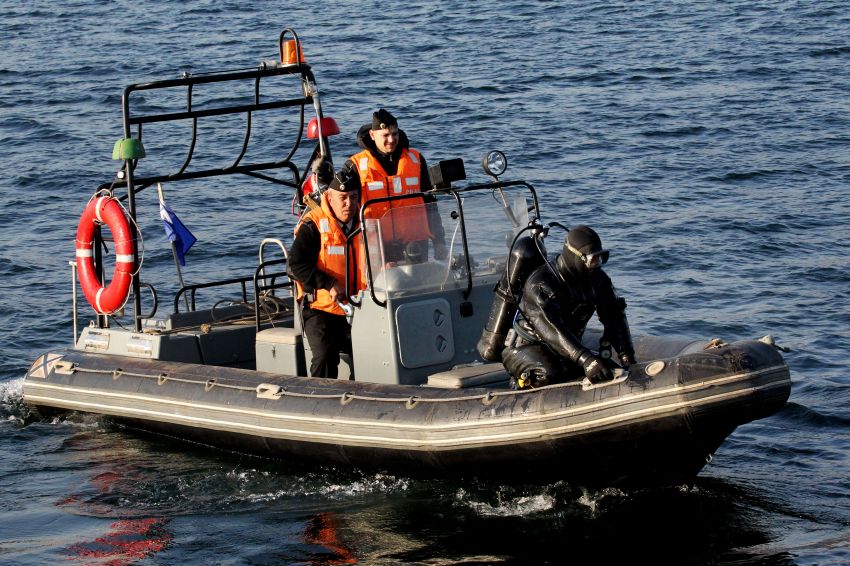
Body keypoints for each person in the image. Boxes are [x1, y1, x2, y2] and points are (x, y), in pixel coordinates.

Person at [501, 225, 636, 389]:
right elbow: (552, 330)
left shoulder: (598, 280)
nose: (597, 264)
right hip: (527, 346)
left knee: (609, 369)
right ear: (576, 257)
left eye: (601, 258)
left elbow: (614, 316)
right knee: (550, 373)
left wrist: (626, 357)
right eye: (592, 259)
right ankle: (519, 386)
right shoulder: (540, 286)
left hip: (565, 348)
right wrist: (585, 358)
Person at [339, 108, 447, 263]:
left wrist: (439, 241)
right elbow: (339, 197)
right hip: (377, 245)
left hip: (415, 242)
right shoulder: (355, 165)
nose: (391, 140)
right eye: (385, 135)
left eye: (395, 134)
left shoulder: (416, 159)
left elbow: (430, 203)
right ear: (372, 135)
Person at [288, 169, 365, 378]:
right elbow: (295, 265)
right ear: (329, 198)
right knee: (324, 356)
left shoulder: (367, 222)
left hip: (360, 308)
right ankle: (318, 398)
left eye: (354, 197)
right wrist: (328, 283)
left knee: (373, 352)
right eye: (343, 198)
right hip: (320, 309)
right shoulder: (313, 225)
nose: (349, 203)